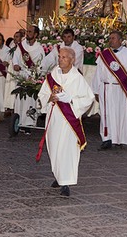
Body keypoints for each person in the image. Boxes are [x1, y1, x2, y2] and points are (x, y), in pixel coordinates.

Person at [37, 47, 94, 197]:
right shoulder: (52, 76)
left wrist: (71, 100)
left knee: (67, 150)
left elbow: (89, 98)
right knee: (54, 148)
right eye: (60, 57)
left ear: (72, 60)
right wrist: (48, 99)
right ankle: (59, 175)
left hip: (69, 121)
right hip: (53, 117)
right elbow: (42, 94)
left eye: (64, 57)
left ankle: (66, 182)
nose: (60, 59)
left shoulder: (77, 78)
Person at [91, 31, 127, 150]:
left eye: (113, 38)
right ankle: (106, 139)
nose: (111, 40)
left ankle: (119, 138)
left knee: (120, 113)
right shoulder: (104, 54)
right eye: (110, 38)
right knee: (106, 114)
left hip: (121, 89)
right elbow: (98, 73)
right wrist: (96, 90)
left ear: (120, 40)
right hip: (106, 88)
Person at [11, 25, 46, 129]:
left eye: (30, 32)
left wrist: (36, 73)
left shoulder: (39, 48)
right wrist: (15, 64)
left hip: (33, 77)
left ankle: (29, 123)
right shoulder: (21, 46)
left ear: (35, 35)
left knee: (30, 100)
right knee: (20, 99)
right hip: (21, 75)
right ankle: (18, 121)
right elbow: (16, 57)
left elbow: (42, 64)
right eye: (27, 31)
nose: (27, 33)